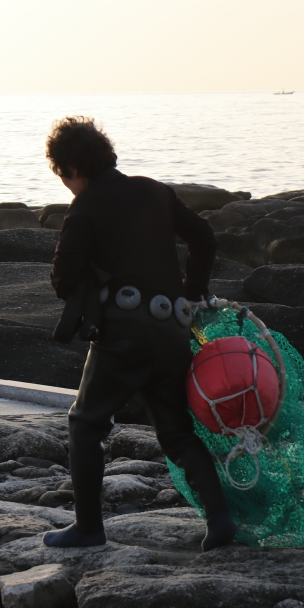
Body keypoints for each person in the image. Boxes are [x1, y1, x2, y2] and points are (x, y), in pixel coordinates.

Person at [42, 116, 237, 551]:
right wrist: (191, 290)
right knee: (177, 431)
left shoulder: (86, 205)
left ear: (70, 169)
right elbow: (203, 238)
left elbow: (63, 276)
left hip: (123, 334)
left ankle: (89, 529)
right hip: (172, 329)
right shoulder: (154, 190)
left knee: (86, 423)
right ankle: (220, 520)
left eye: (63, 175)